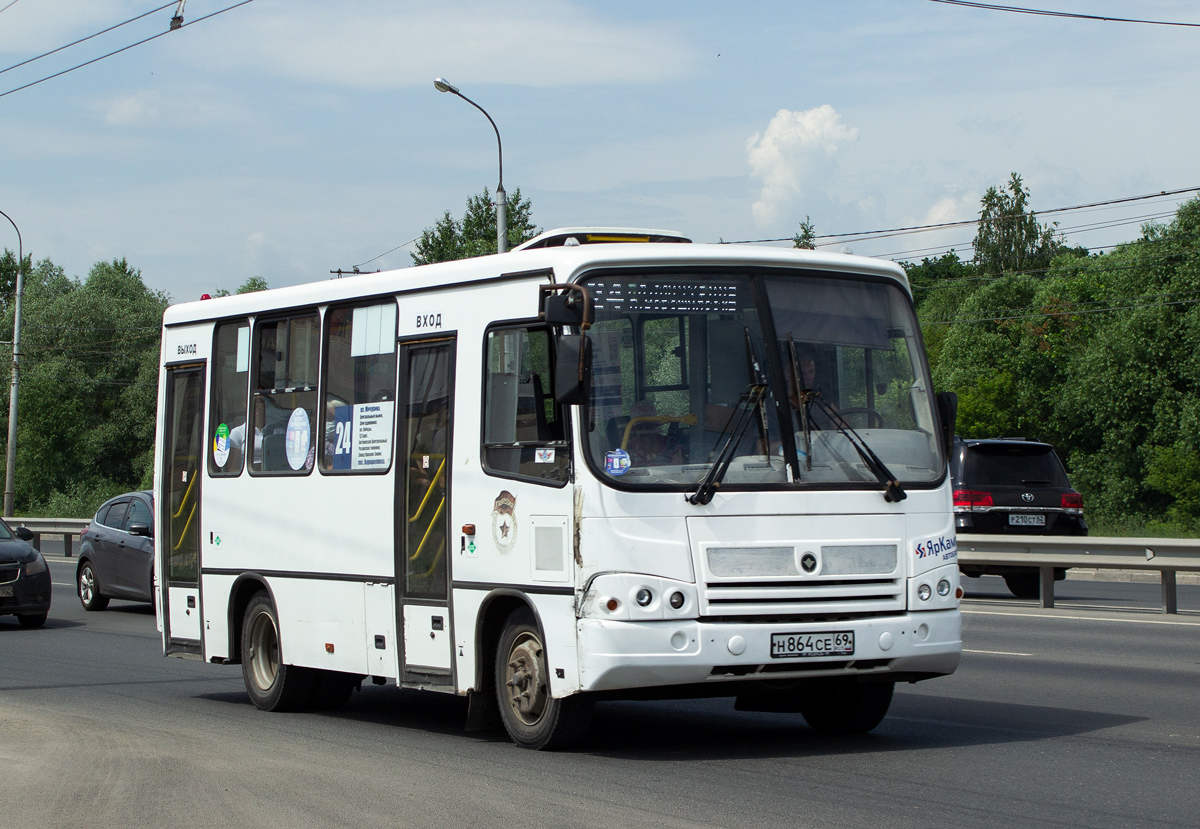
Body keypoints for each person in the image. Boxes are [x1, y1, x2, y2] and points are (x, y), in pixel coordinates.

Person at [626, 400, 684, 466]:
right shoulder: (627, 448)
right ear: (634, 428)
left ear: (655, 426)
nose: (644, 430)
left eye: (648, 425)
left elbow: (679, 469)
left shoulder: (670, 444)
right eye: (640, 426)